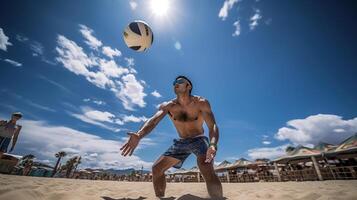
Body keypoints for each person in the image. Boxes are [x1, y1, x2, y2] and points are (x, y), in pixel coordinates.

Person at [120, 76, 223, 198]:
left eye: (179, 82)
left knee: (206, 167)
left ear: (188, 86)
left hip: (199, 139)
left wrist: (212, 144)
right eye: (174, 82)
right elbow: (153, 121)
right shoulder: (169, 105)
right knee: (157, 169)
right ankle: (160, 197)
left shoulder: (201, 103)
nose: (175, 84)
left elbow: (213, 126)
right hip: (181, 142)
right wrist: (139, 134)